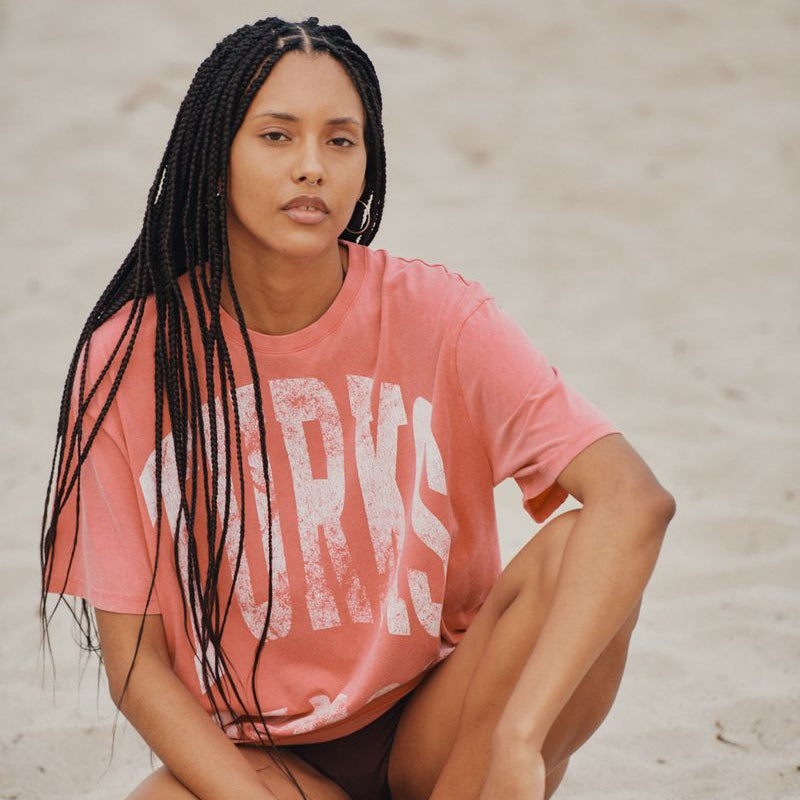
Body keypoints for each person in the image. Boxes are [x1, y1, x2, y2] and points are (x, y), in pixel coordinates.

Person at [40, 15, 675, 800]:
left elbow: (635, 499)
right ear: (215, 159)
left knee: (578, 551)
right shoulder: (131, 359)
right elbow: (134, 665)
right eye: (276, 137)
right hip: (266, 760)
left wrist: (519, 738)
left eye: (341, 141)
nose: (312, 168)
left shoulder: (440, 316)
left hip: (441, 727)